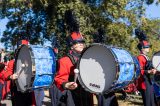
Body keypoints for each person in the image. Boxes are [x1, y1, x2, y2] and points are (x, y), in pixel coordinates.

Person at [54, 32, 93, 106]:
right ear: (71, 46)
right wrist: (66, 84)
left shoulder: (88, 59)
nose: (81, 44)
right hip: (71, 96)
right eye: (77, 42)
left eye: (82, 42)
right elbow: (59, 79)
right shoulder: (64, 60)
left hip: (87, 95)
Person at [136, 40, 157, 106]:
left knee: (152, 101)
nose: (148, 48)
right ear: (142, 48)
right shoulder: (140, 57)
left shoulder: (146, 57)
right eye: (147, 47)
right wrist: (149, 71)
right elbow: (138, 70)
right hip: (144, 83)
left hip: (149, 82)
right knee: (148, 102)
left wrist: (154, 70)